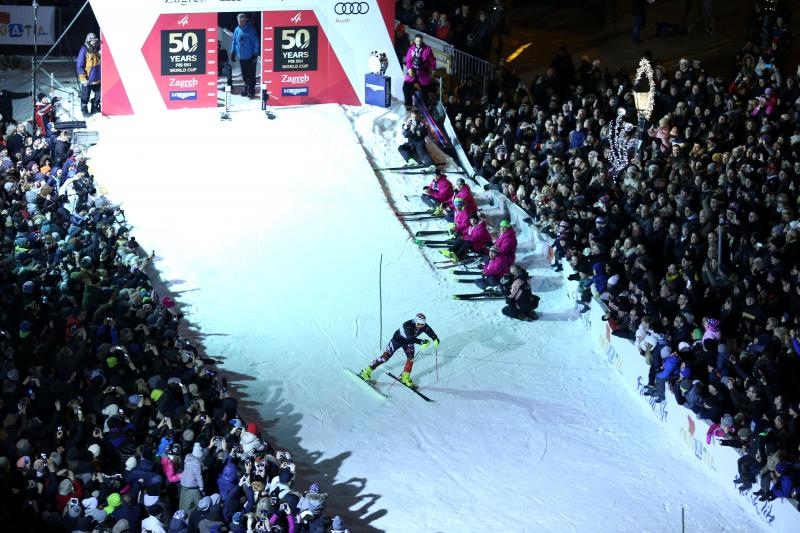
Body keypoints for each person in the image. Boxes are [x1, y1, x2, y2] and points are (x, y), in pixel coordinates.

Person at [359, 313, 439, 387]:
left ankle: (405, 377)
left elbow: (429, 330)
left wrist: (435, 338)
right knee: (385, 357)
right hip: (397, 340)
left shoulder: (423, 325)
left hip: (408, 343)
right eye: (419, 324)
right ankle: (366, 371)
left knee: (411, 359)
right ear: (415, 321)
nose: (420, 326)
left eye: (422, 325)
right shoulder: (407, 325)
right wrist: (421, 341)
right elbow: (410, 337)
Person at [230, 13, 260, 98]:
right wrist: (233, 53)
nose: (241, 22)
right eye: (239, 20)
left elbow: (256, 42)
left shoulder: (251, 29)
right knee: (244, 75)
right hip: (242, 57)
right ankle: (246, 89)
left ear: (245, 20)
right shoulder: (237, 29)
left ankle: (251, 91)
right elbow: (234, 42)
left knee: (251, 75)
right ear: (238, 20)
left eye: (243, 20)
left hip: (251, 56)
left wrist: (255, 54)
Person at [403, 34, 436, 108]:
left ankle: (425, 107)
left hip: (423, 72)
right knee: (406, 87)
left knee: (425, 91)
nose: (418, 43)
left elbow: (432, 60)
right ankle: (408, 105)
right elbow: (408, 61)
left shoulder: (427, 49)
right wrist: (409, 69)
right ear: (415, 41)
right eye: (417, 41)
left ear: (422, 41)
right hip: (413, 71)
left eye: (420, 41)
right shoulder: (411, 49)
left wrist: (433, 70)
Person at [76, 32, 101, 116]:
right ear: (88, 41)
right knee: (85, 96)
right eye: (92, 41)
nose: (94, 42)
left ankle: (94, 107)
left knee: (99, 94)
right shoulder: (84, 50)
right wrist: (83, 78)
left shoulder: (97, 49)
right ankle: (84, 110)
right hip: (88, 79)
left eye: (95, 41)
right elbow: (79, 65)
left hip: (97, 79)